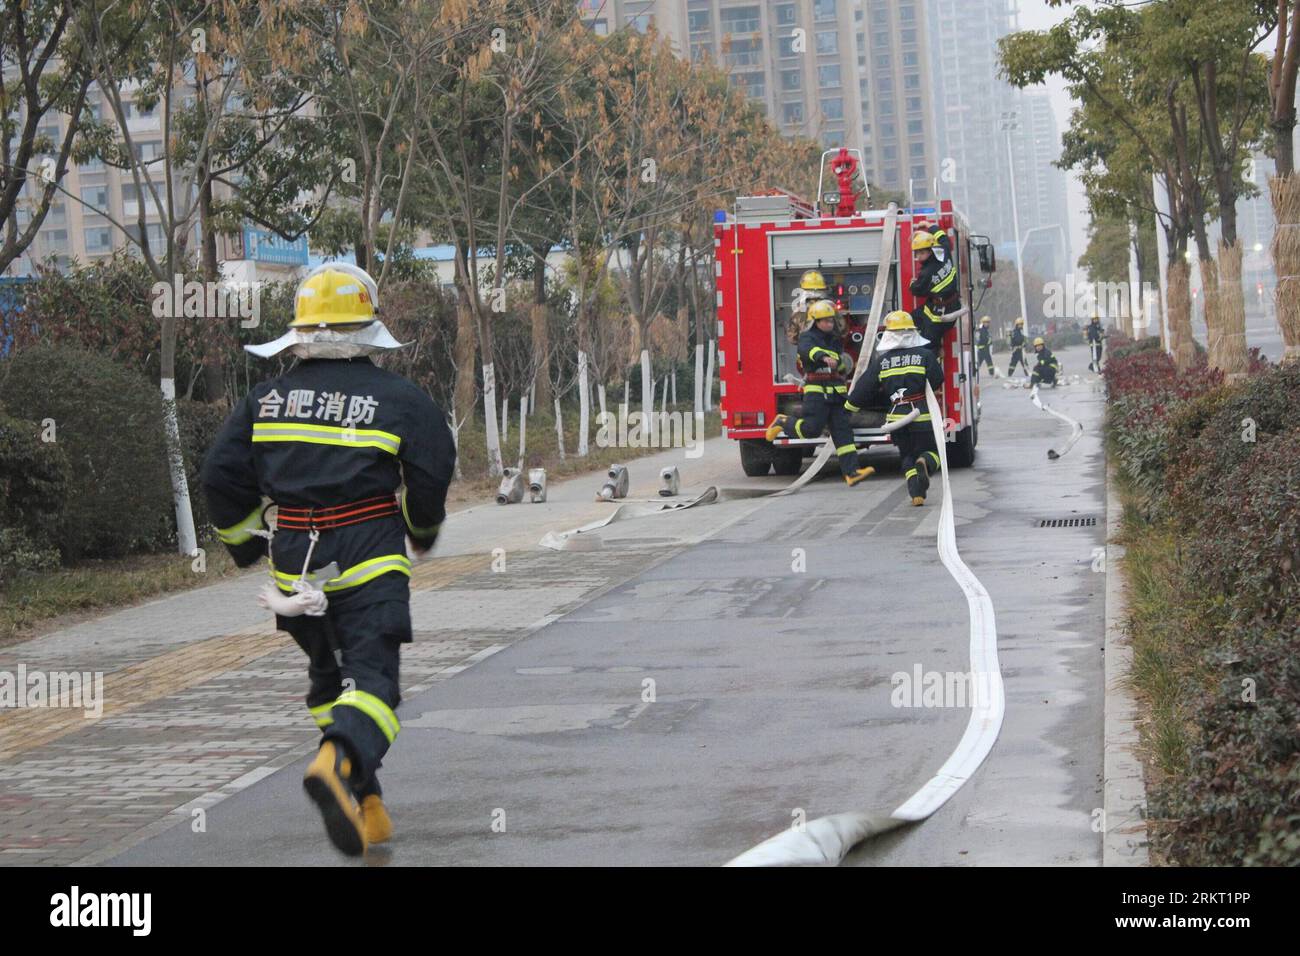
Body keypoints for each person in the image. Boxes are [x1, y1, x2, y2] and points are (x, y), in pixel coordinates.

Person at [202, 262, 456, 857]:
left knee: (330, 681)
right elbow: (432, 467)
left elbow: (219, 475)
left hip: (295, 567)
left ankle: (365, 803)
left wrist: (243, 543)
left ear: (301, 332)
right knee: (374, 684)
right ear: (367, 328)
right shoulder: (399, 399)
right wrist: (422, 528)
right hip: (367, 557)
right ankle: (337, 764)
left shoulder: (265, 400)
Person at [766, 299, 875, 486]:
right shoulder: (807, 337)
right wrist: (823, 357)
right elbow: (808, 351)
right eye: (825, 321)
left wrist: (839, 362)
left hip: (836, 392)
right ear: (815, 321)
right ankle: (783, 421)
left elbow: (842, 362)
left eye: (831, 320)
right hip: (817, 393)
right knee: (811, 430)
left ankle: (852, 472)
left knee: (843, 433)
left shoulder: (835, 339)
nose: (829, 324)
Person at [845, 309, 944, 506]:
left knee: (906, 454)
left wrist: (848, 408)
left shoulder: (883, 361)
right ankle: (924, 462)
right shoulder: (925, 355)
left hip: (896, 419)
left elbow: (864, 388)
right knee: (932, 451)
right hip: (921, 415)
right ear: (912, 332)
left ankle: (916, 494)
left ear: (889, 335)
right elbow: (937, 380)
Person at [908, 228, 961, 350]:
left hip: (941, 311)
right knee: (912, 319)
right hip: (950, 305)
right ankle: (937, 346)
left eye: (922, 253)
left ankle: (934, 355)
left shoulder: (927, 272)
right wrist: (931, 226)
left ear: (931, 251)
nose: (918, 257)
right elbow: (944, 238)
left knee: (928, 342)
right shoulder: (944, 252)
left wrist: (912, 284)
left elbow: (918, 290)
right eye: (916, 253)